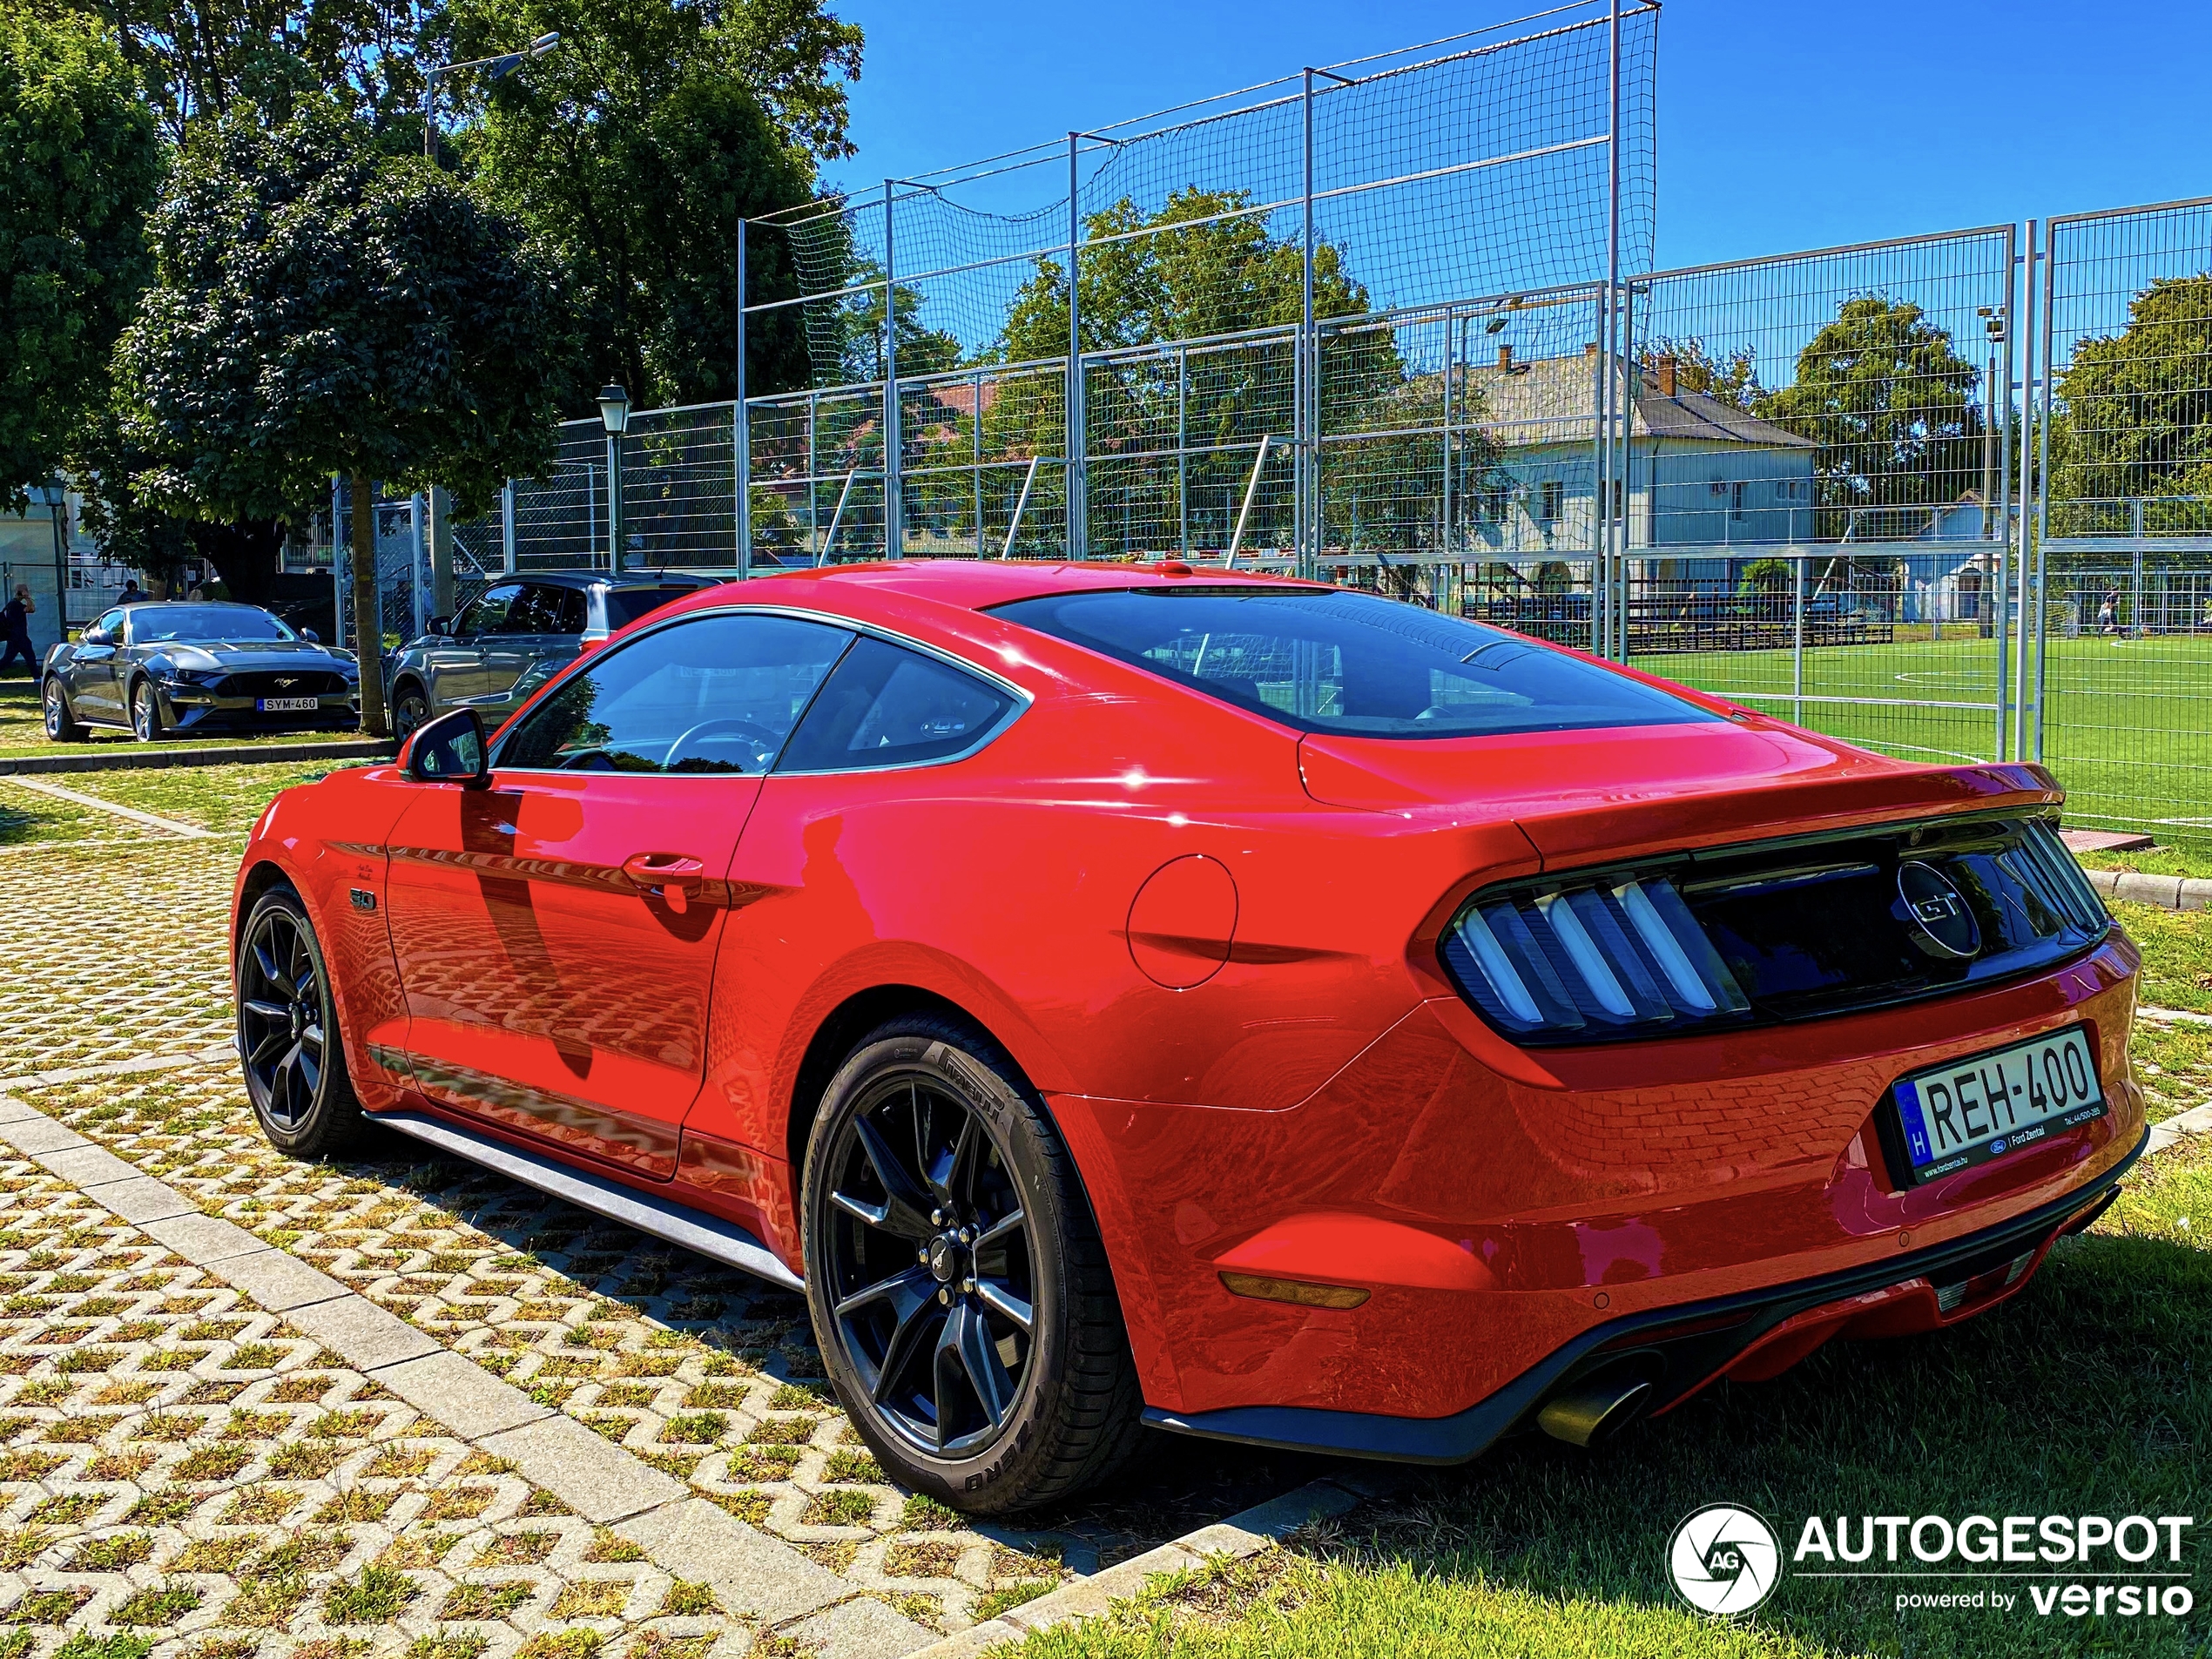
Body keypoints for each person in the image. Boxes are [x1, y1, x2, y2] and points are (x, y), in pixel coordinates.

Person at [0, 586, 34, 680]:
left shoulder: (14, 604)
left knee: (29, 656)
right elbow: (31, 609)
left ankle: (36, 676)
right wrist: (27, 598)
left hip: (17, 636)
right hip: (17, 637)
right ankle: (36, 676)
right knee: (7, 660)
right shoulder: (15, 605)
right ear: (21, 593)